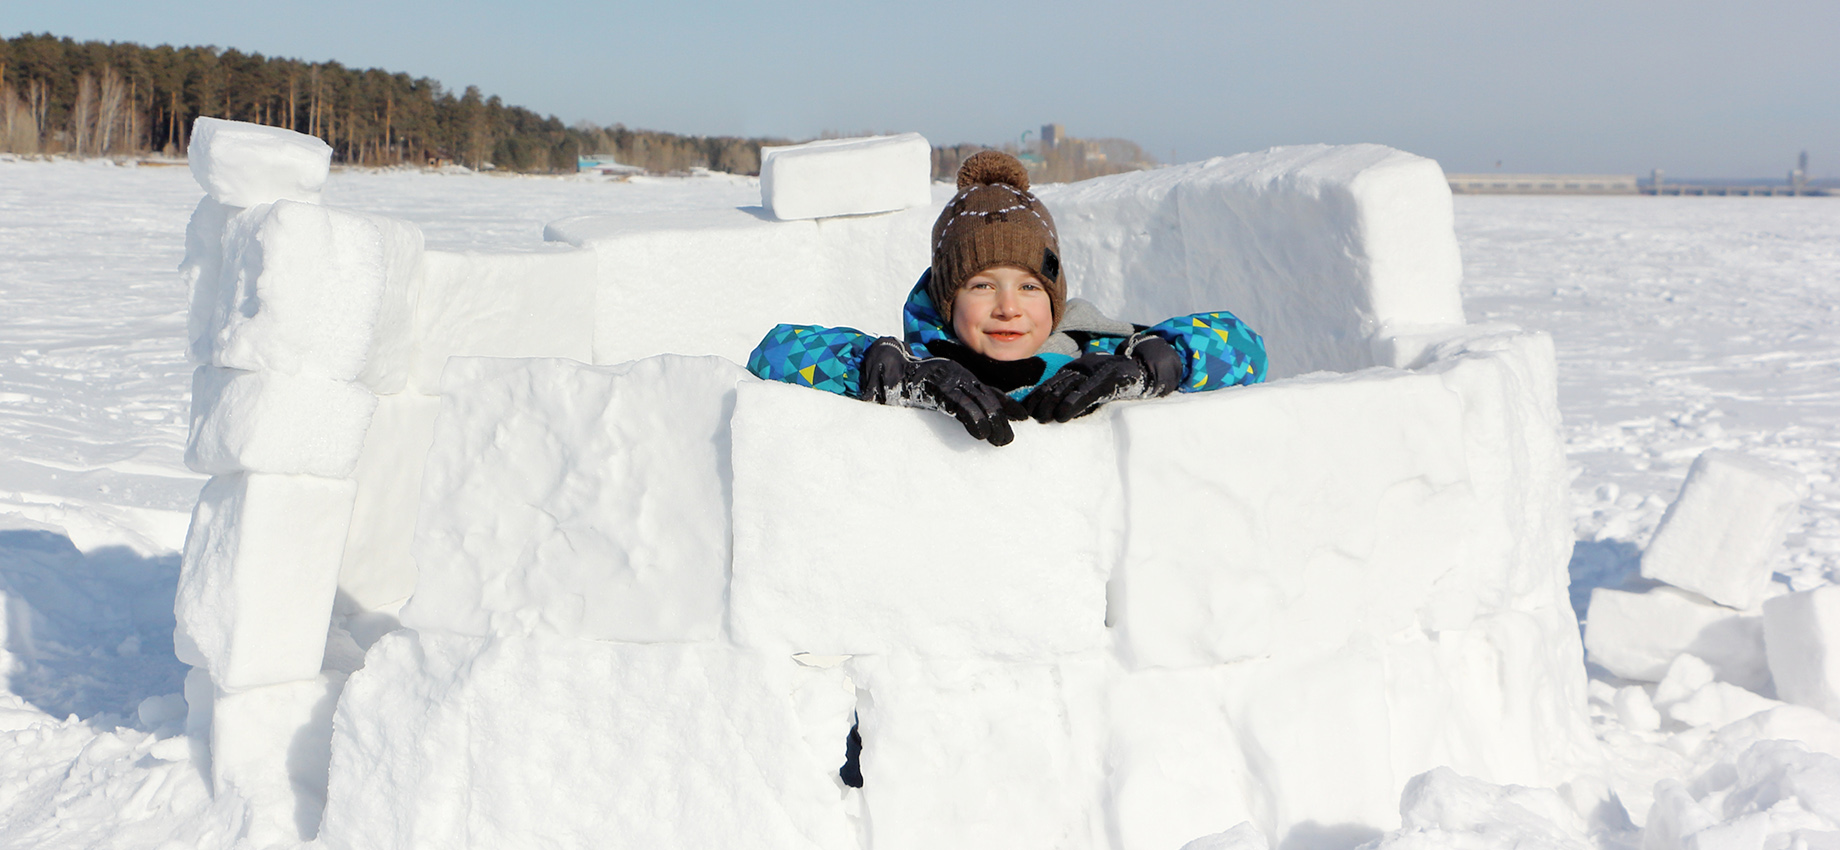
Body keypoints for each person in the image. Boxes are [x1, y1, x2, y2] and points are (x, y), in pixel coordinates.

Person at [747, 150, 1267, 446]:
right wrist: (883, 371)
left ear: (1055, 300)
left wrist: (1161, 360)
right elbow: (772, 352)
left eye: (1029, 286)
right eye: (981, 285)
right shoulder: (917, 365)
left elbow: (1247, 350)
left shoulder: (1098, 357)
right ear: (946, 300)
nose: (1008, 307)